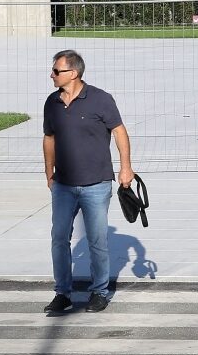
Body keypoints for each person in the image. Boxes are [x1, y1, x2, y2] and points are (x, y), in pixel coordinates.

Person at [43, 48, 133, 314]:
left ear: (74, 73)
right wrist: (49, 173)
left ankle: (100, 291)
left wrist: (125, 168)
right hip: (63, 185)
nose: (52, 75)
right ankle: (63, 292)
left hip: (96, 184)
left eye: (57, 71)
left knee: (97, 240)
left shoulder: (101, 99)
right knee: (59, 238)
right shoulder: (52, 102)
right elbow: (49, 138)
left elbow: (119, 131)